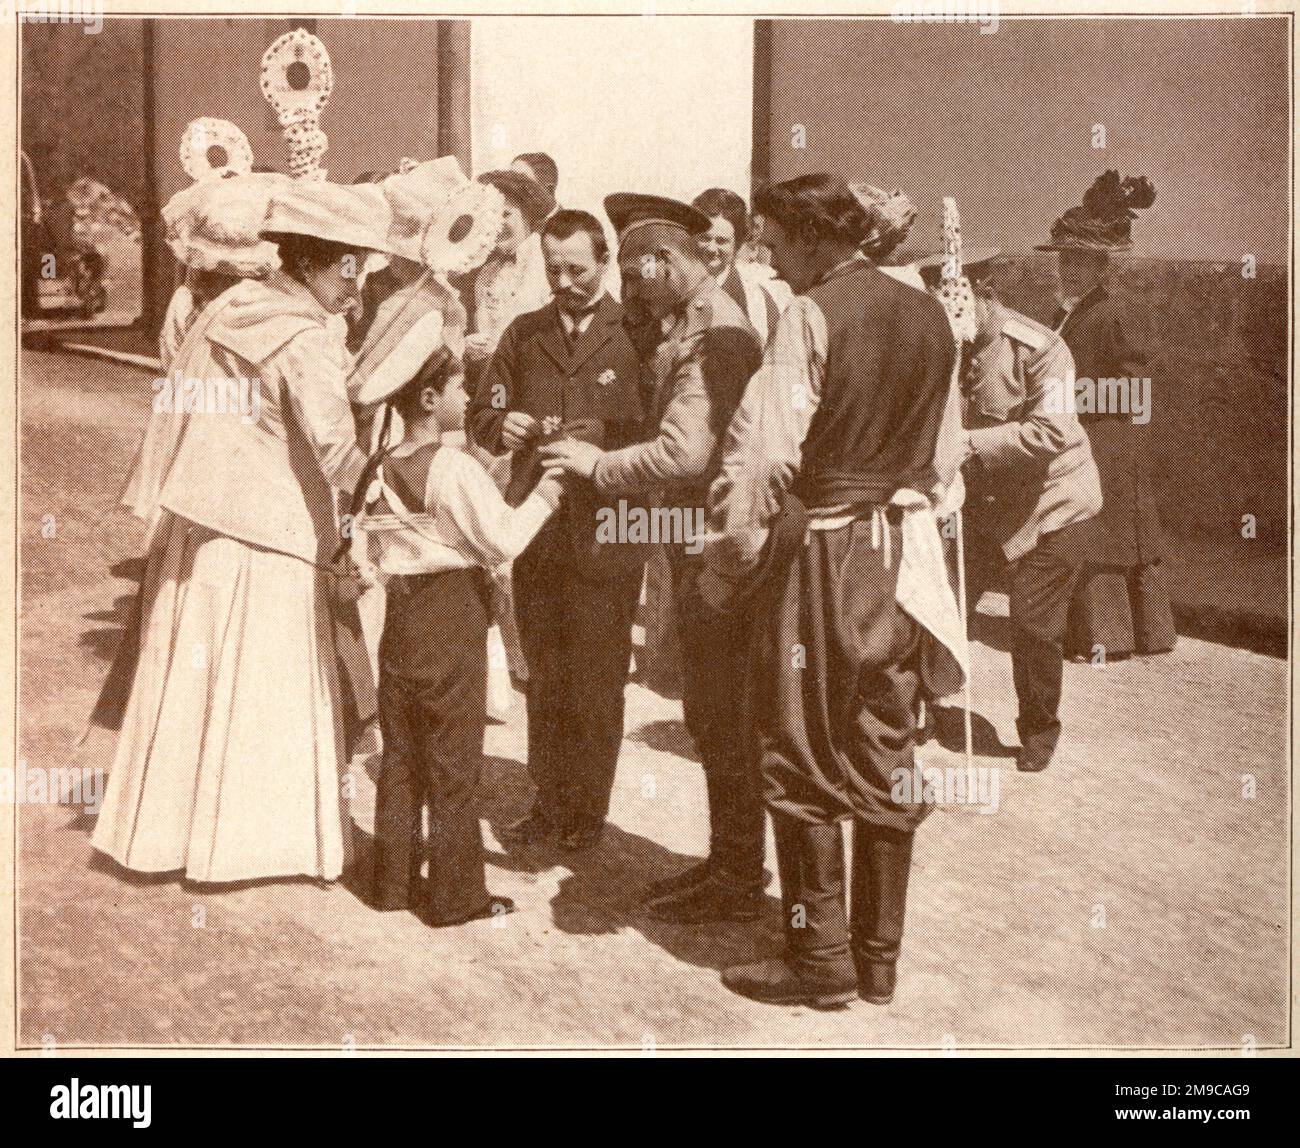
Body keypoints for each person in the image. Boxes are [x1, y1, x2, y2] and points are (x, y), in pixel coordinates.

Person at [91, 180, 401, 883]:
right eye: (352, 269)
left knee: (194, 686)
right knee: (261, 688)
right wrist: (399, 487)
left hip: (199, 527)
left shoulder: (231, 306)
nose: (355, 290)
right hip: (269, 539)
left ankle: (167, 838)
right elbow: (337, 453)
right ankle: (257, 844)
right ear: (324, 263)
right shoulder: (304, 338)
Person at [700, 174, 960, 1007]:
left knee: (802, 749)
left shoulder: (811, 315)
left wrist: (727, 563)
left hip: (825, 553)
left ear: (813, 237)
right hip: (906, 558)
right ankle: (878, 961)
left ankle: (818, 962)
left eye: (771, 241)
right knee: (888, 745)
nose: (765, 259)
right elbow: (949, 458)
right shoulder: (931, 313)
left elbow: (761, 456)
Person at [540, 193, 764, 922]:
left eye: (635, 277)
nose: (629, 294)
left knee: (723, 713)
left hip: (714, 549)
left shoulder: (715, 334)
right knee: (712, 712)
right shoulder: (696, 321)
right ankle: (730, 865)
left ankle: (736, 877)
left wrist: (595, 464)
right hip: (694, 540)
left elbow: (686, 449)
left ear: (666, 262)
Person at [353, 344, 565, 925]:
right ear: (429, 399)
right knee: (454, 760)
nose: (468, 397)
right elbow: (506, 539)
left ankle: (390, 880)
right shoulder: (454, 468)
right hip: (452, 618)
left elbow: (366, 550)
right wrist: (549, 493)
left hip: (402, 620)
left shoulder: (379, 468)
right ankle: (456, 895)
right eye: (457, 388)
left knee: (401, 755)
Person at [468, 209, 645, 851]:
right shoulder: (524, 332)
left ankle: (585, 811)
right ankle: (547, 800)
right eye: (554, 269)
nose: (565, 280)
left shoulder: (637, 332)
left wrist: (599, 442)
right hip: (538, 526)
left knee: (596, 673)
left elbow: (657, 433)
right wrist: (502, 422)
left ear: (603, 264)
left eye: (577, 268)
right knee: (544, 669)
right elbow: (483, 411)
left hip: (609, 528)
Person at [918, 249, 1103, 772]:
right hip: (984, 505)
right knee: (939, 602)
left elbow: (1054, 430)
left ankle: (1039, 731)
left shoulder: (1045, 349)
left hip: (1055, 506)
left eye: (955, 305)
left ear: (986, 294)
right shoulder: (937, 345)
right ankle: (926, 707)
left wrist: (967, 443)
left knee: (1033, 623)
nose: (946, 320)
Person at [1037, 171, 1175, 660]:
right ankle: (1120, 636)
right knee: (1102, 537)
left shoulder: (1113, 315)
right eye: (1065, 261)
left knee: (1110, 542)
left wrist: (1068, 398)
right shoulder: (1075, 312)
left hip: (1110, 444)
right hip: (1092, 440)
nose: (1067, 270)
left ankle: (1112, 640)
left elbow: (1137, 391)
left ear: (1100, 266)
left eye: (1078, 262)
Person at [463, 169, 557, 385]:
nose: (499, 224)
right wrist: (468, 348)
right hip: (496, 385)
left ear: (527, 214)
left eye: (506, 214)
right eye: (492, 217)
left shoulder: (547, 262)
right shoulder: (486, 274)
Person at [691, 188, 785, 344]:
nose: (711, 249)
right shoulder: (672, 288)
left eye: (722, 241)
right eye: (704, 238)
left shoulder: (757, 300)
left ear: (737, 245)